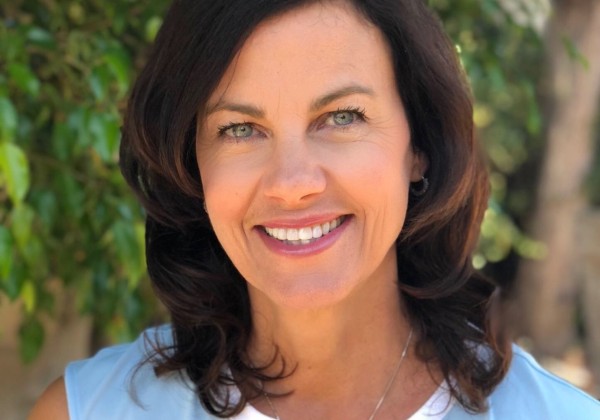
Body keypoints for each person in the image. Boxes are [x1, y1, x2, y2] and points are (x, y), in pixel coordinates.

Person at [30, 0, 600, 419]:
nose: (292, 184)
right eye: (240, 129)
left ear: (418, 146)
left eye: (342, 117)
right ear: (192, 166)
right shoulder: (86, 411)